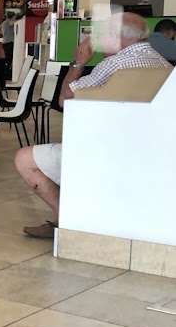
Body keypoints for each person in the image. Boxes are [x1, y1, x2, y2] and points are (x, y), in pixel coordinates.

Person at [16, 12, 170, 239]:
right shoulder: (163, 63)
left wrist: (77, 62)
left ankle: (64, 222)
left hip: (104, 155)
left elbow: (64, 99)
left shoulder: (115, 64)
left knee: (25, 158)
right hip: (149, 155)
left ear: (114, 37)